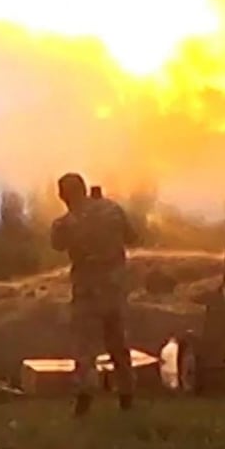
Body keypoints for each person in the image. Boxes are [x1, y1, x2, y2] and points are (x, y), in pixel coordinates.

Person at [50, 172, 139, 416]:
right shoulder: (112, 209)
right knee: (118, 343)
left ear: (64, 195)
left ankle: (85, 400)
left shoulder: (65, 223)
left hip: (87, 289)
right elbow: (133, 236)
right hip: (114, 287)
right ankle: (127, 397)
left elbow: (56, 244)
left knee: (85, 347)